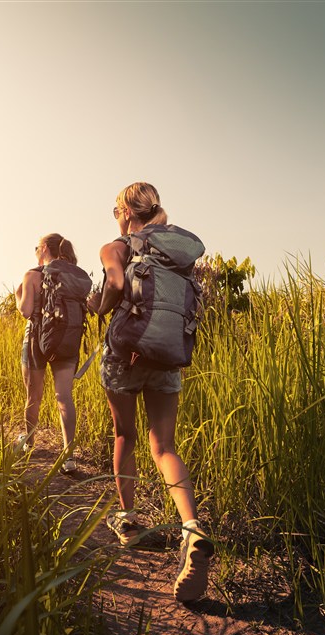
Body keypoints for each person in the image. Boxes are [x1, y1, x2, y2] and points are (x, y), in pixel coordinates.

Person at [86, 181, 214, 602]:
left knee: (126, 435)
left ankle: (128, 522)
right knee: (165, 448)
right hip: (166, 356)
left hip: (125, 356)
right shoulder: (176, 251)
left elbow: (115, 287)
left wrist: (96, 304)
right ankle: (192, 528)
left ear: (126, 210)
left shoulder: (117, 246)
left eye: (115, 209)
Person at [15, 233, 89, 474]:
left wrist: (18, 297)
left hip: (36, 337)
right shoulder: (70, 276)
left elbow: (26, 311)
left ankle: (29, 442)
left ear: (44, 248)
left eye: (37, 247)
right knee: (64, 397)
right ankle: (69, 456)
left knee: (33, 395)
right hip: (65, 337)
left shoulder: (32, 275)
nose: (36, 251)